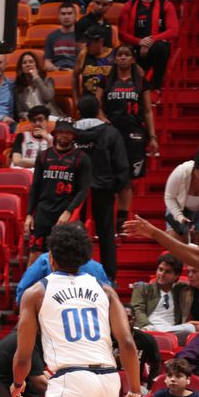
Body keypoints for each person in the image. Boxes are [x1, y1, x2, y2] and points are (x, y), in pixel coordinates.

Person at [12, 223, 141, 397]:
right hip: (108, 378)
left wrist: (18, 383)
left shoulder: (36, 293)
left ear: (50, 257)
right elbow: (126, 343)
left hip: (71, 378)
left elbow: (24, 355)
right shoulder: (106, 290)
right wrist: (135, 390)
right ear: (85, 258)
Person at [96, 44, 157, 233]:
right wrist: (104, 120)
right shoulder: (105, 80)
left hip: (134, 135)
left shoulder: (141, 82)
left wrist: (153, 136)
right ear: (114, 59)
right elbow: (96, 106)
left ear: (132, 59)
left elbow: (147, 110)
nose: (122, 58)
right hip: (111, 134)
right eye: (119, 55)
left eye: (126, 55)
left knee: (127, 179)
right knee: (110, 178)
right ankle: (107, 221)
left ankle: (121, 222)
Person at [73, 94, 130, 282]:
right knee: (106, 234)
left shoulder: (70, 133)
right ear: (98, 110)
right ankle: (109, 277)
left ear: (79, 111)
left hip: (74, 192)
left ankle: (74, 272)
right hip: (103, 190)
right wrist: (116, 186)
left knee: (74, 234)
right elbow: (122, 165)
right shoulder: (110, 133)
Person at [25, 120, 92, 266]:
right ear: (55, 134)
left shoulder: (81, 158)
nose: (64, 136)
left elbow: (83, 190)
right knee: (35, 254)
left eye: (68, 133)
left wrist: (68, 211)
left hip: (64, 211)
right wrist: (29, 214)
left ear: (73, 136)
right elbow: (35, 186)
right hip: (43, 211)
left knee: (61, 256)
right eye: (61, 132)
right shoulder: (43, 156)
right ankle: (28, 287)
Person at [118, 0, 179, 99]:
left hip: (155, 49)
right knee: (121, 52)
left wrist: (151, 41)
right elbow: (121, 34)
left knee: (161, 47)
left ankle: (156, 87)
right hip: (135, 49)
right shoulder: (129, 6)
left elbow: (173, 31)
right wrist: (139, 42)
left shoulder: (166, 6)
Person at [16, 233, 112, 303]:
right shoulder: (96, 268)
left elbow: (21, 294)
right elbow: (108, 300)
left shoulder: (44, 260)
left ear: (52, 257)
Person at [163, 147, 199, 247]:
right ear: (194, 169)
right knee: (177, 247)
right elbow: (169, 197)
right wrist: (179, 216)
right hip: (179, 208)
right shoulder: (181, 171)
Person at [130, 253, 193, 341]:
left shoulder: (181, 291)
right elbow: (137, 310)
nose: (162, 274)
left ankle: (159, 335)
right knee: (140, 331)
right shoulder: (143, 288)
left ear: (176, 276)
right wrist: (147, 326)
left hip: (172, 331)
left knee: (189, 328)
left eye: (167, 271)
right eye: (160, 269)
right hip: (148, 328)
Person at [15, 51, 63, 120]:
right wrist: (23, 115)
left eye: (31, 62)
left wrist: (37, 78)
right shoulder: (18, 87)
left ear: (36, 65)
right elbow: (19, 111)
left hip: (51, 117)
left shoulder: (47, 80)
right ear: (21, 68)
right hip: (32, 120)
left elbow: (48, 97)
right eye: (24, 63)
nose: (28, 65)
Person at [74, 25, 115, 101]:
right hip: (88, 102)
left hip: (109, 103)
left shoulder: (114, 55)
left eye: (89, 43)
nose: (86, 45)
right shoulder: (83, 54)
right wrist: (76, 98)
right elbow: (74, 76)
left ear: (100, 41)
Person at [11, 106, 53, 170]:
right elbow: (16, 161)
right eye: (34, 120)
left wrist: (48, 139)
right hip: (23, 172)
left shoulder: (53, 139)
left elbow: (53, 162)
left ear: (47, 120)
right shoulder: (22, 136)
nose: (37, 123)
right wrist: (41, 163)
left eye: (40, 119)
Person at [43, 2, 78, 72]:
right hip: (57, 72)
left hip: (77, 73)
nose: (66, 16)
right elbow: (47, 62)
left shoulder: (82, 36)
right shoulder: (51, 37)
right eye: (63, 14)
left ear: (75, 16)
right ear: (58, 17)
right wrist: (56, 69)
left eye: (69, 13)